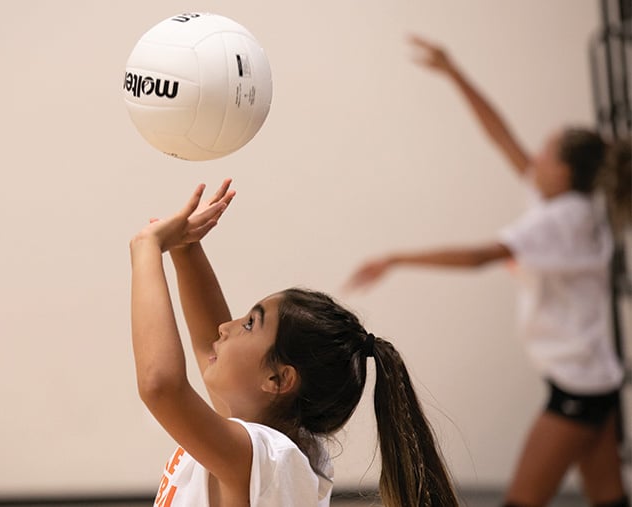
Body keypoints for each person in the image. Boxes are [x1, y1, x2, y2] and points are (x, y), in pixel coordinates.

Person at [346, 36, 631, 507]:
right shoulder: (568, 204)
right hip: (593, 379)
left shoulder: (560, 221)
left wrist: (396, 259)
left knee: (522, 500)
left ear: (564, 172)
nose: (534, 158)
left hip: (579, 386)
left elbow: (480, 257)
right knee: (608, 498)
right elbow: (501, 136)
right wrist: (453, 70)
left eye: (546, 152)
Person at [130, 179, 458, 507]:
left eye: (248, 324)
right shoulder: (269, 441)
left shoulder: (265, 457)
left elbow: (161, 385)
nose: (224, 328)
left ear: (279, 379)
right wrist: (186, 248)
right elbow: (207, 344)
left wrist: (146, 248)